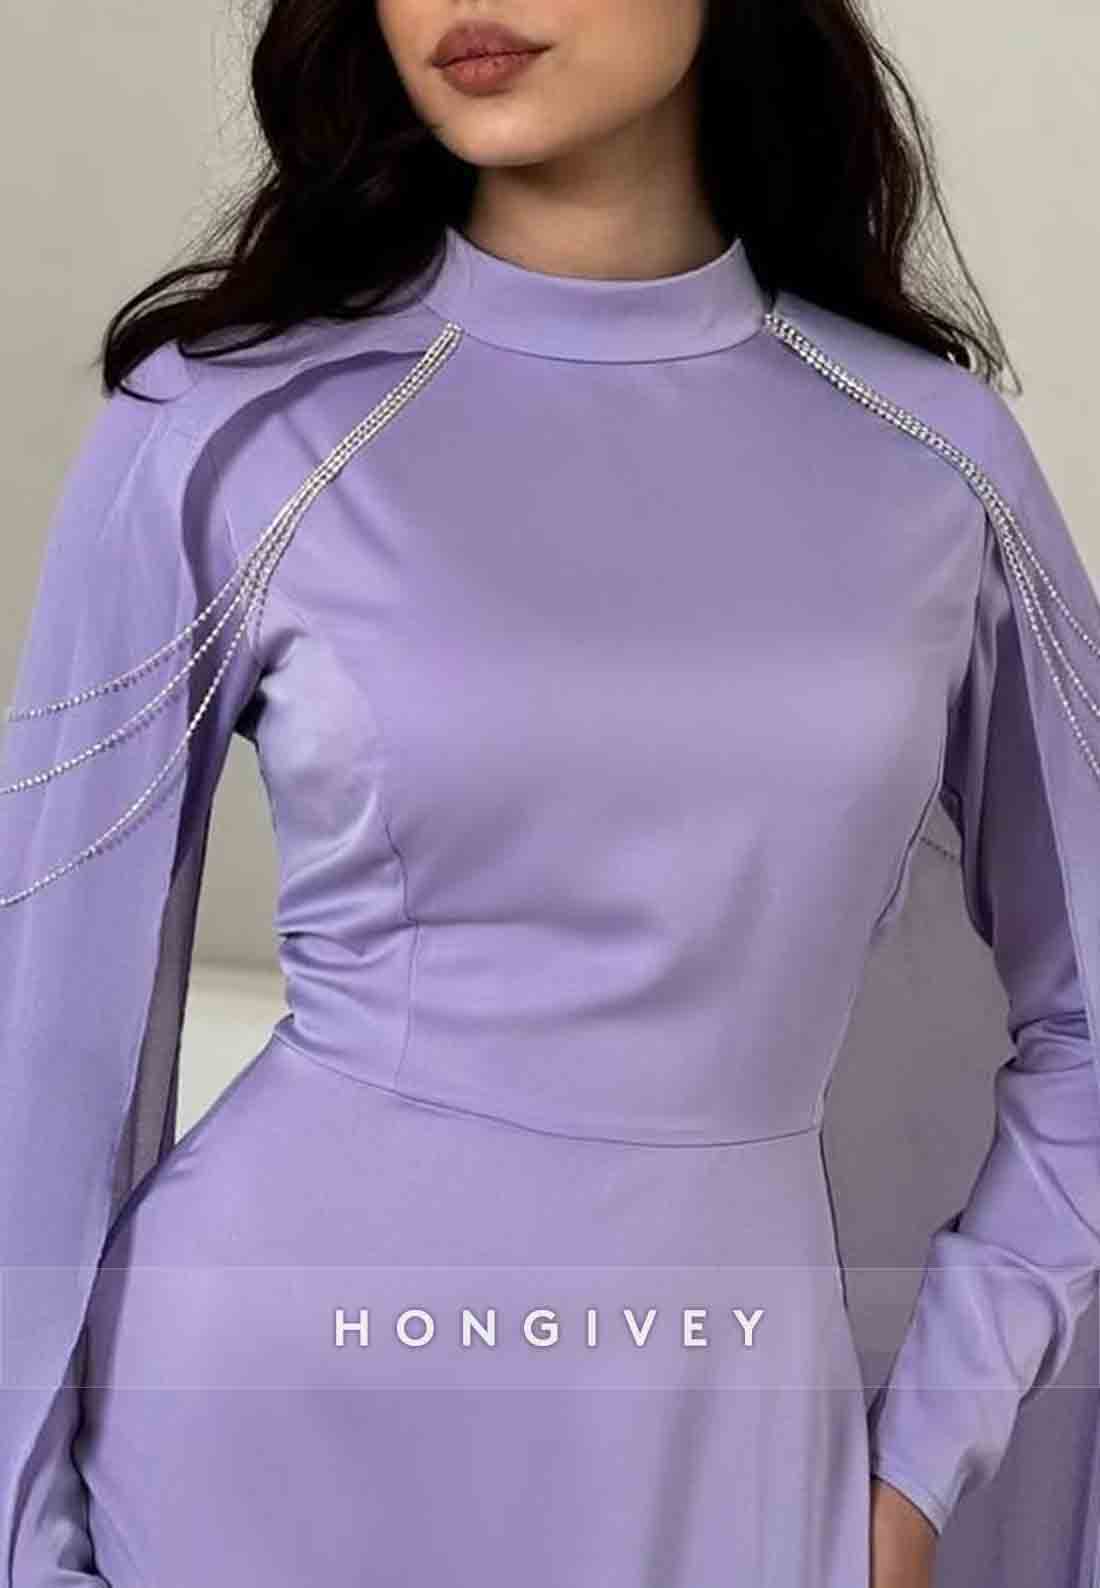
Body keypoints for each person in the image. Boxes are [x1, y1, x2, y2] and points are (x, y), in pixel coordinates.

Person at [2, 2, 1099, 1585]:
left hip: (717, 1443)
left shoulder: (938, 460)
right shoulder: (223, 429)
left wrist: (924, 1461)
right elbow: (44, 1052)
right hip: (257, 1437)